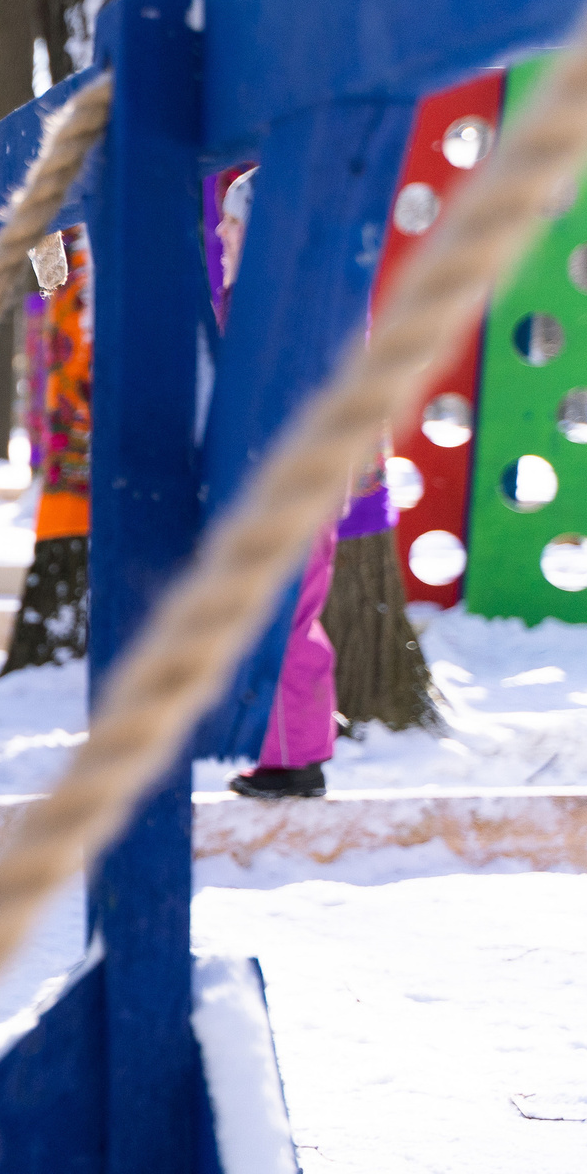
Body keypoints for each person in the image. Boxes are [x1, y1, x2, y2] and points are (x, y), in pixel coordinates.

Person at [214, 170, 337, 797]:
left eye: (232, 222)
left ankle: (294, 758)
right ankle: (291, 745)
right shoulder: (266, 297)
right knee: (281, 611)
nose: (220, 231)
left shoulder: (278, 304)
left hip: (290, 478)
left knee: (282, 611)